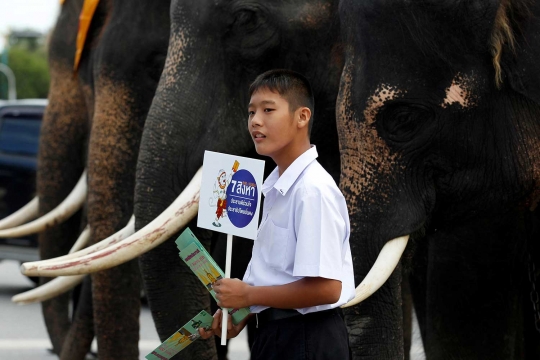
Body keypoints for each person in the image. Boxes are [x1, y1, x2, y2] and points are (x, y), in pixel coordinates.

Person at [199, 69, 355, 360]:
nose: (255, 121)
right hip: (276, 336)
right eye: (251, 112)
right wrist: (244, 312)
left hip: (306, 339)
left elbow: (327, 289)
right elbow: (279, 276)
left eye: (268, 110)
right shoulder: (277, 188)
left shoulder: (312, 190)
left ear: (302, 117)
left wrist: (249, 296)